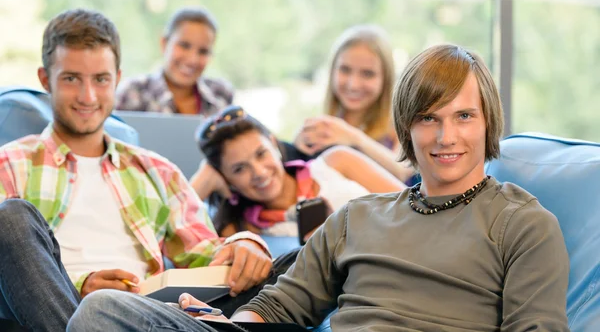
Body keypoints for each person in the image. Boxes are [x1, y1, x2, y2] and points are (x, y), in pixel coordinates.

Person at [68, 44, 570, 331]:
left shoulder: (523, 226)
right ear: (406, 128)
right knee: (101, 312)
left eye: (465, 117)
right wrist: (235, 323)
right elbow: (281, 305)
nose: (446, 137)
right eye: (428, 119)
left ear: (489, 123)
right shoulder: (358, 217)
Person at [0, 9, 272, 332]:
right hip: (55, 315)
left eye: (101, 79)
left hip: (142, 317)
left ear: (117, 78)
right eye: (71, 79)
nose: (88, 97)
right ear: (46, 80)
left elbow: (205, 255)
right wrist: (78, 286)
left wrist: (244, 244)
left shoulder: (157, 170)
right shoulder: (10, 164)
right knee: (10, 218)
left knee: (303, 260)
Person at [189, 105, 406, 238]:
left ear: (274, 144)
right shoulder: (245, 231)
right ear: (227, 180)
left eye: (261, 154)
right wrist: (203, 182)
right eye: (239, 169)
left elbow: (417, 204)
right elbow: (174, 233)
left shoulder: (336, 162)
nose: (259, 172)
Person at [294, 25, 413, 182]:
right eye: (345, 70)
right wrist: (298, 145)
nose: (353, 84)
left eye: (367, 74)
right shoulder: (325, 126)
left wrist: (353, 137)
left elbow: (403, 171)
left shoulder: (401, 125)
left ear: (386, 79)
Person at [115, 7, 233, 115]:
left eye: (203, 51)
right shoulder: (134, 92)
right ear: (164, 43)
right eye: (184, 46)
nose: (193, 59)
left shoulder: (221, 95)